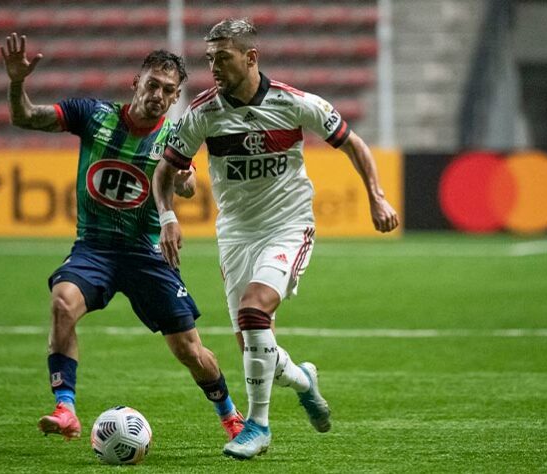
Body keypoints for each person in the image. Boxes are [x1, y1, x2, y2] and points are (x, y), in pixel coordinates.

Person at [153, 18, 400, 460]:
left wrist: (377, 197)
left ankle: (258, 426)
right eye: (209, 59)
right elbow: (165, 171)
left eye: (222, 58)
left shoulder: (295, 104)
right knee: (254, 344)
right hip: (235, 235)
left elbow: (353, 144)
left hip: (288, 227)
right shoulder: (202, 114)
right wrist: (168, 215)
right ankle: (303, 379)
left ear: (251, 57)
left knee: (253, 310)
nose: (214, 67)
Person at [0, 32, 244, 442]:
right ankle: (66, 409)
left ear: (176, 96)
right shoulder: (93, 115)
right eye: (153, 85)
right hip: (94, 248)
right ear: (136, 83)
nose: (159, 95)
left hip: (146, 254)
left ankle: (230, 415)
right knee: (63, 302)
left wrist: (183, 180)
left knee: (189, 350)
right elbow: (25, 117)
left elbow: (186, 186)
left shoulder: (174, 137)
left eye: (169, 91)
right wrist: (16, 82)